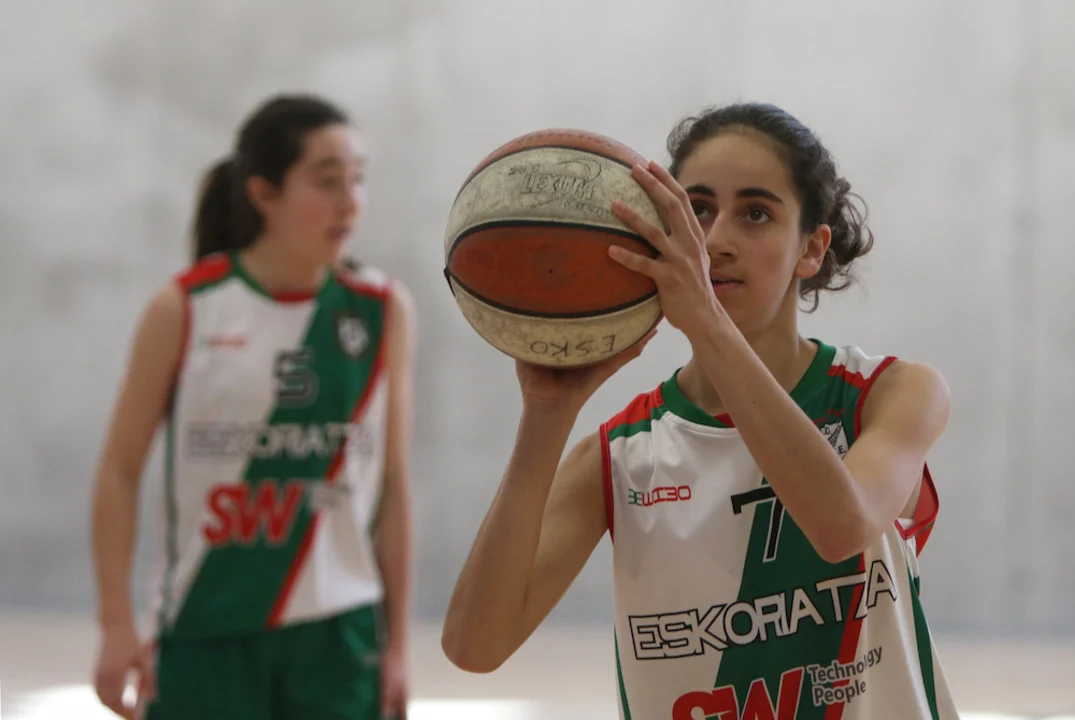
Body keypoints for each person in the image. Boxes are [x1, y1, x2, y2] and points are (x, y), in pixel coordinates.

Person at [441, 102, 959, 719]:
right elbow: (474, 646)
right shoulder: (623, 454)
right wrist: (548, 411)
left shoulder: (889, 394)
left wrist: (707, 321)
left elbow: (840, 528)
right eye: (698, 210)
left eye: (756, 213)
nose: (714, 242)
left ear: (812, 248)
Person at [91, 93, 416, 720]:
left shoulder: (382, 310)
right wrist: (114, 623)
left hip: (339, 635)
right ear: (264, 192)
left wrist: (398, 645)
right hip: (206, 625)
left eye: (358, 180)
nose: (351, 202)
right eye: (327, 181)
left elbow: (394, 487)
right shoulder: (185, 307)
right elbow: (119, 470)